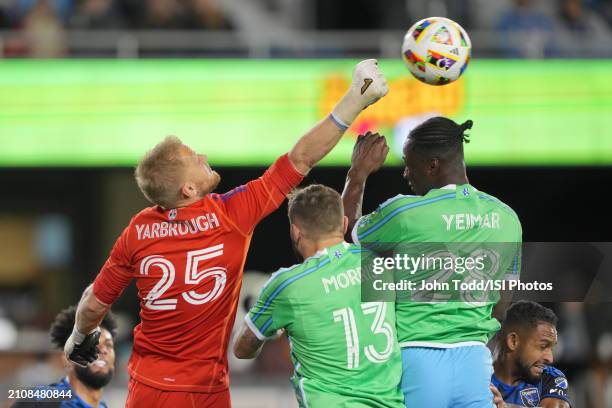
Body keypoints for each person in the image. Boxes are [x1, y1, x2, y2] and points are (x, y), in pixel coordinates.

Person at [63, 59, 388, 407]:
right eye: (195, 159)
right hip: (207, 391)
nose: (204, 155)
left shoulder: (139, 229)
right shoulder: (232, 214)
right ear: (188, 189)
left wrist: (79, 338)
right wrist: (355, 98)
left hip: (149, 389)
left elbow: (95, 301)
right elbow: (301, 158)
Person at [342, 119, 523, 408]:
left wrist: (358, 172)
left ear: (432, 165)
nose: (405, 173)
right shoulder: (507, 218)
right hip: (475, 364)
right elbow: (502, 306)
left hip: (416, 358)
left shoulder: (404, 213)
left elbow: (345, 230)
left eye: (408, 164)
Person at [233, 184, 404, 408]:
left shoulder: (289, 284)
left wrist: (272, 334)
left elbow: (242, 349)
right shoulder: (379, 262)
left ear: (296, 231)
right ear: (343, 224)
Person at [12, 305, 117, 408]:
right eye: (92, 344)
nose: (103, 351)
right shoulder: (40, 400)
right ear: (68, 359)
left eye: (108, 345)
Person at [490, 301, 571, 408]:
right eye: (543, 346)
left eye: (551, 348)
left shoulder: (550, 377)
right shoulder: (478, 377)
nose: (550, 358)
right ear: (513, 341)